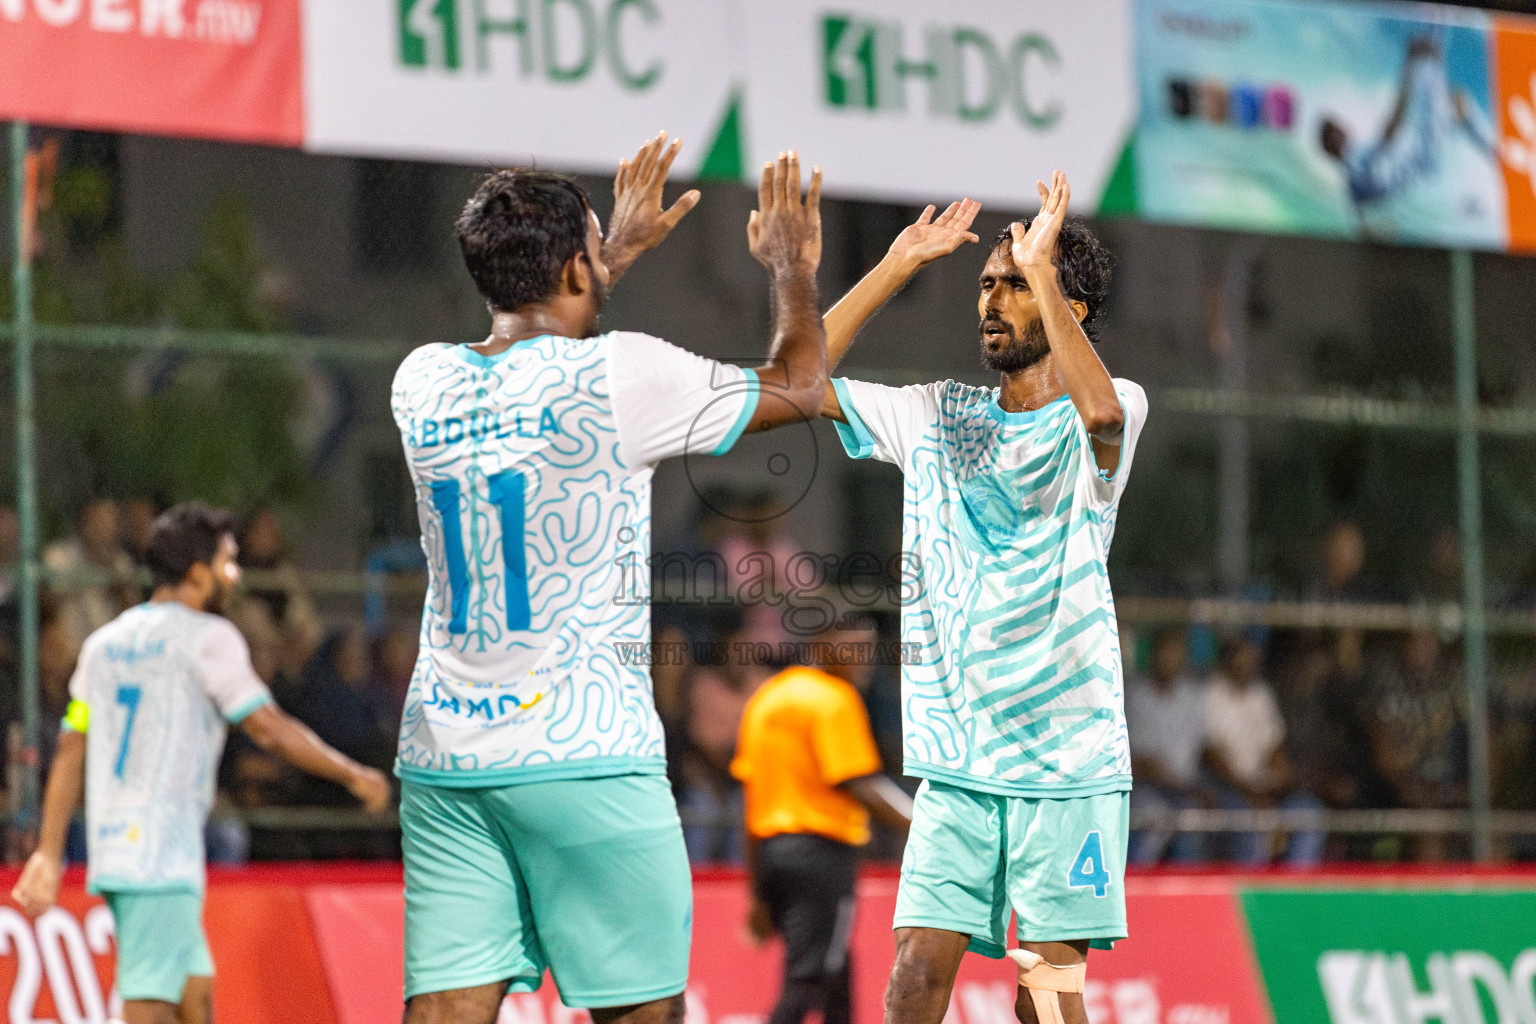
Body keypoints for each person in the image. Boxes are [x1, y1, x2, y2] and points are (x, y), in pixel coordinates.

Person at [390, 134, 827, 1024]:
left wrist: (600, 256)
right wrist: (790, 268)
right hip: (584, 756)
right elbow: (801, 383)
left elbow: (533, 332)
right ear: (575, 270)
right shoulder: (622, 374)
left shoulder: (421, 381)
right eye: (592, 252)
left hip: (446, 757)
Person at [820, 172, 1145, 1024]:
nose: (990, 301)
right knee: (913, 981)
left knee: (1045, 994)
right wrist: (894, 267)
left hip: (1067, 759)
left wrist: (1044, 265)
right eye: (987, 284)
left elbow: (1103, 412)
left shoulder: (1106, 413)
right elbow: (794, 380)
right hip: (958, 762)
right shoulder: (935, 414)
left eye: (1015, 284)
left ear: (1067, 307)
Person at [10, 501, 390, 1024]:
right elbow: (267, 728)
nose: (234, 575)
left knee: (193, 993)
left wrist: (50, 853)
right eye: (227, 562)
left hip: (124, 845)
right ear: (196, 573)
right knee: (148, 1004)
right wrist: (352, 773)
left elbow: (73, 741)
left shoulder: (104, 646)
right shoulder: (210, 639)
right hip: (159, 854)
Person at [731, 613, 912, 1024]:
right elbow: (859, 783)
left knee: (836, 977)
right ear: (821, 642)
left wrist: (756, 891)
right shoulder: (833, 697)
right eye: (855, 646)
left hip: (775, 856)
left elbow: (751, 800)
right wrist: (923, 822)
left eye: (869, 647)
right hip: (821, 857)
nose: (864, 658)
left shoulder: (767, 697)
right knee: (809, 980)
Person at [1320, 35, 1497, 222]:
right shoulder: (1354, 156)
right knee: (1452, 92)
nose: (1343, 127)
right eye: (1337, 128)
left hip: (1425, 176)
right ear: (1333, 142)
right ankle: (1496, 153)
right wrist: (1409, 64)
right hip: (1427, 161)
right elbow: (1390, 130)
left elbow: (1361, 220)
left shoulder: (1351, 186)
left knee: (1456, 104)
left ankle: (1491, 150)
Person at [1202, 635, 1324, 867]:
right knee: (1253, 827)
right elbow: (1213, 758)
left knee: (1309, 813)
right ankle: (1250, 896)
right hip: (1225, 787)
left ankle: (1293, 892)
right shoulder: (1211, 692)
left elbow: (1274, 747)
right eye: (1242, 658)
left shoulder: (1260, 692)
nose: (1248, 664)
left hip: (1262, 786)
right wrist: (1253, 796)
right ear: (1227, 660)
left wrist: (1285, 782)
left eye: (1252, 659)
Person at [1124, 626, 1209, 865]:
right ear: (1152, 654)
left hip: (1186, 787)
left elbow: (1200, 749)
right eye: (1164, 652)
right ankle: (1135, 884)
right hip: (1143, 786)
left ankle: (1186, 892)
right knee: (1155, 817)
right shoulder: (1135, 693)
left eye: (1175, 653)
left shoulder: (1190, 694)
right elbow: (1140, 762)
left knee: (1193, 817)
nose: (1168, 659)